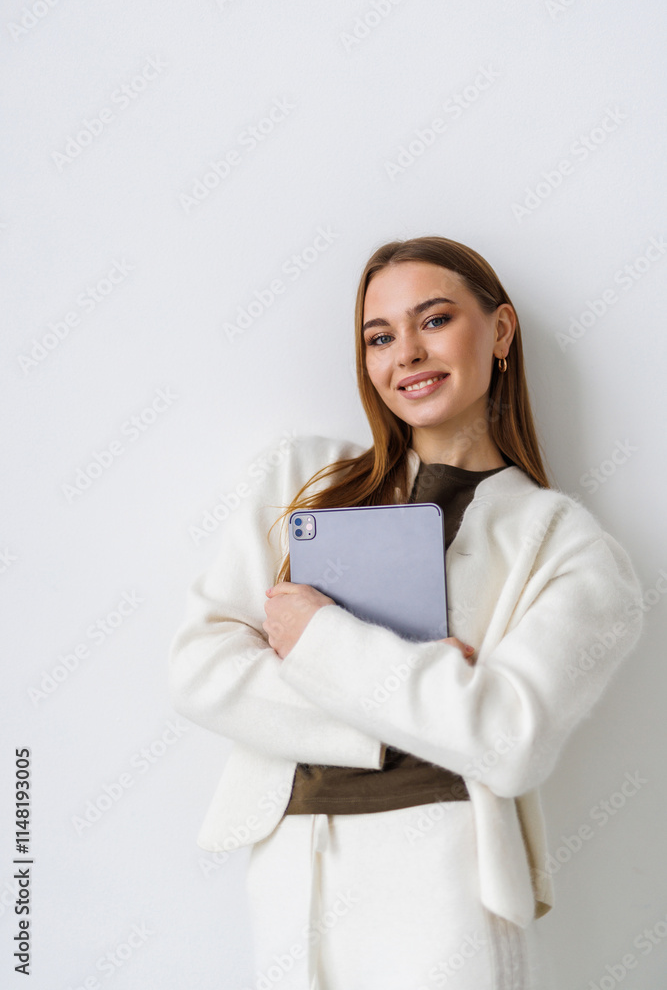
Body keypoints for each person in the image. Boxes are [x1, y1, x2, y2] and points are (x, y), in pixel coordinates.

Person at [168, 236, 644, 990]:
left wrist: (315, 640)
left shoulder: (573, 551)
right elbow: (199, 669)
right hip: (295, 869)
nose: (406, 355)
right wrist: (424, 697)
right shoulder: (298, 482)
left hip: (444, 879)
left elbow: (506, 738)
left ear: (500, 332)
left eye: (434, 320)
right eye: (380, 337)